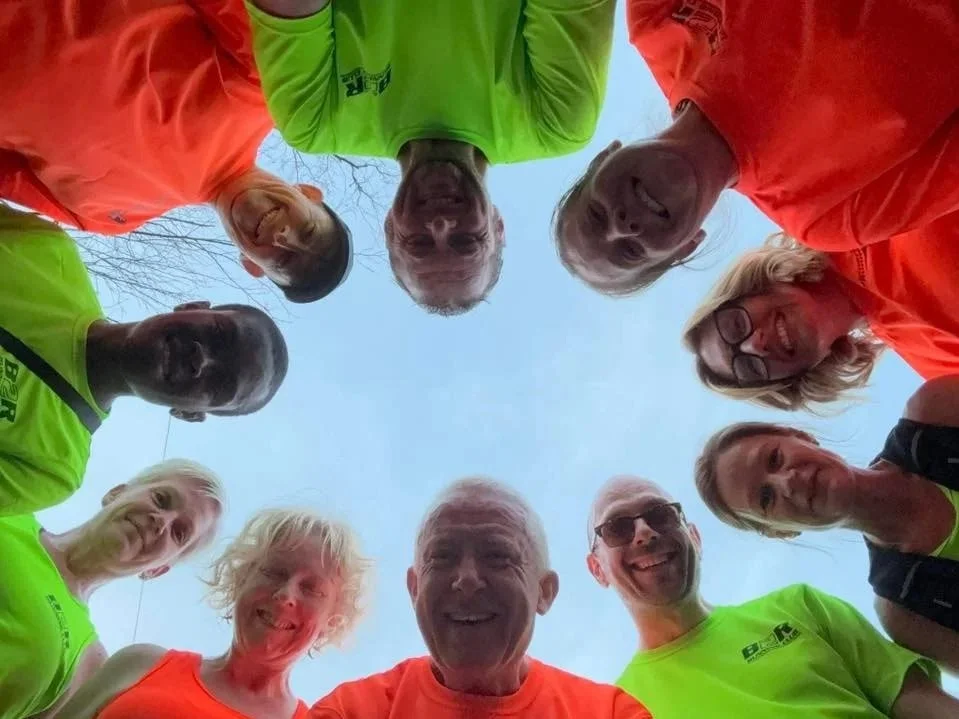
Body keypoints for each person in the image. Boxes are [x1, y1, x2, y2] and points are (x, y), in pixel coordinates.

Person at [553, 0, 959, 296]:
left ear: (604, 156)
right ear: (688, 243)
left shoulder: (656, 20)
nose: (622, 226)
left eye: (595, 215)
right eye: (630, 251)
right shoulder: (826, 216)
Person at [244, 0, 616, 315]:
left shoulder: (316, 121)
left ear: (390, 228)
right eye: (466, 241)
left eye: (418, 243)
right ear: (498, 225)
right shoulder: (554, 121)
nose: (440, 225)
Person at [0, 0, 353, 304]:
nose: (284, 238)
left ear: (252, 265)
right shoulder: (260, 87)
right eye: (306, 230)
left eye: (284, 261)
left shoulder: (109, 219)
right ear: (308, 193)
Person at [586, 474, 959, 717]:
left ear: (694, 537)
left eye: (661, 514)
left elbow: (916, 701)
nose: (645, 532)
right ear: (597, 569)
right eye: (618, 527)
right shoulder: (623, 709)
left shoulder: (800, 605)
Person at [0, 204, 288, 517]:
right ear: (193, 305)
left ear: (188, 414)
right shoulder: (50, 251)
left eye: (219, 385)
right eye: (219, 335)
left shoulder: (52, 468)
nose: (201, 359)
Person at [309, 477, 652, 718]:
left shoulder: (610, 713)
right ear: (414, 588)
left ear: (544, 592)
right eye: (441, 557)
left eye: (498, 556)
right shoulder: (349, 712)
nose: (467, 580)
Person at [694, 375, 959, 675]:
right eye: (766, 498)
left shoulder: (937, 415)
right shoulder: (907, 614)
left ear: (801, 435)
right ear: (781, 531)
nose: (787, 481)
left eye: (775, 458)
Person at [56, 507, 371, 719]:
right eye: (274, 572)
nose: (286, 595)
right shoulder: (141, 663)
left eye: (312, 589)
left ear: (332, 621)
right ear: (240, 580)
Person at [0, 459, 225, 719]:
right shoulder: (10, 512)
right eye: (161, 499)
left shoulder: (91, 666)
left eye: (179, 532)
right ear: (115, 493)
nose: (161, 521)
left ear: (157, 570)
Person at [681, 231, 959, 411]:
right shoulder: (936, 364)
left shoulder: (852, 221)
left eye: (735, 326)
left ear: (749, 289)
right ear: (795, 376)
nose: (755, 346)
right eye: (750, 368)